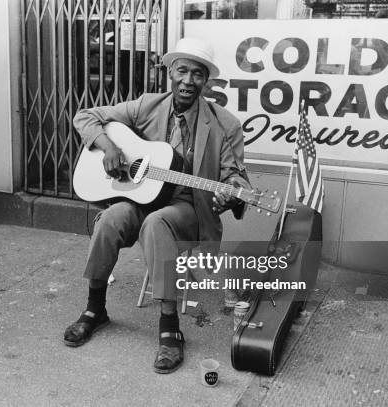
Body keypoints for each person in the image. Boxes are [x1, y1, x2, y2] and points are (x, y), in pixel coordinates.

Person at [63, 37, 251, 373]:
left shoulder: (226, 125)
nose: (188, 81)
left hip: (189, 208)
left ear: (206, 81)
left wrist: (231, 194)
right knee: (110, 218)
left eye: (197, 74)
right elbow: (85, 117)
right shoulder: (147, 106)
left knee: (157, 223)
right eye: (182, 71)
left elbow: (237, 179)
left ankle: (168, 326)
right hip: (143, 196)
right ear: (170, 72)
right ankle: (95, 309)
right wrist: (108, 147)